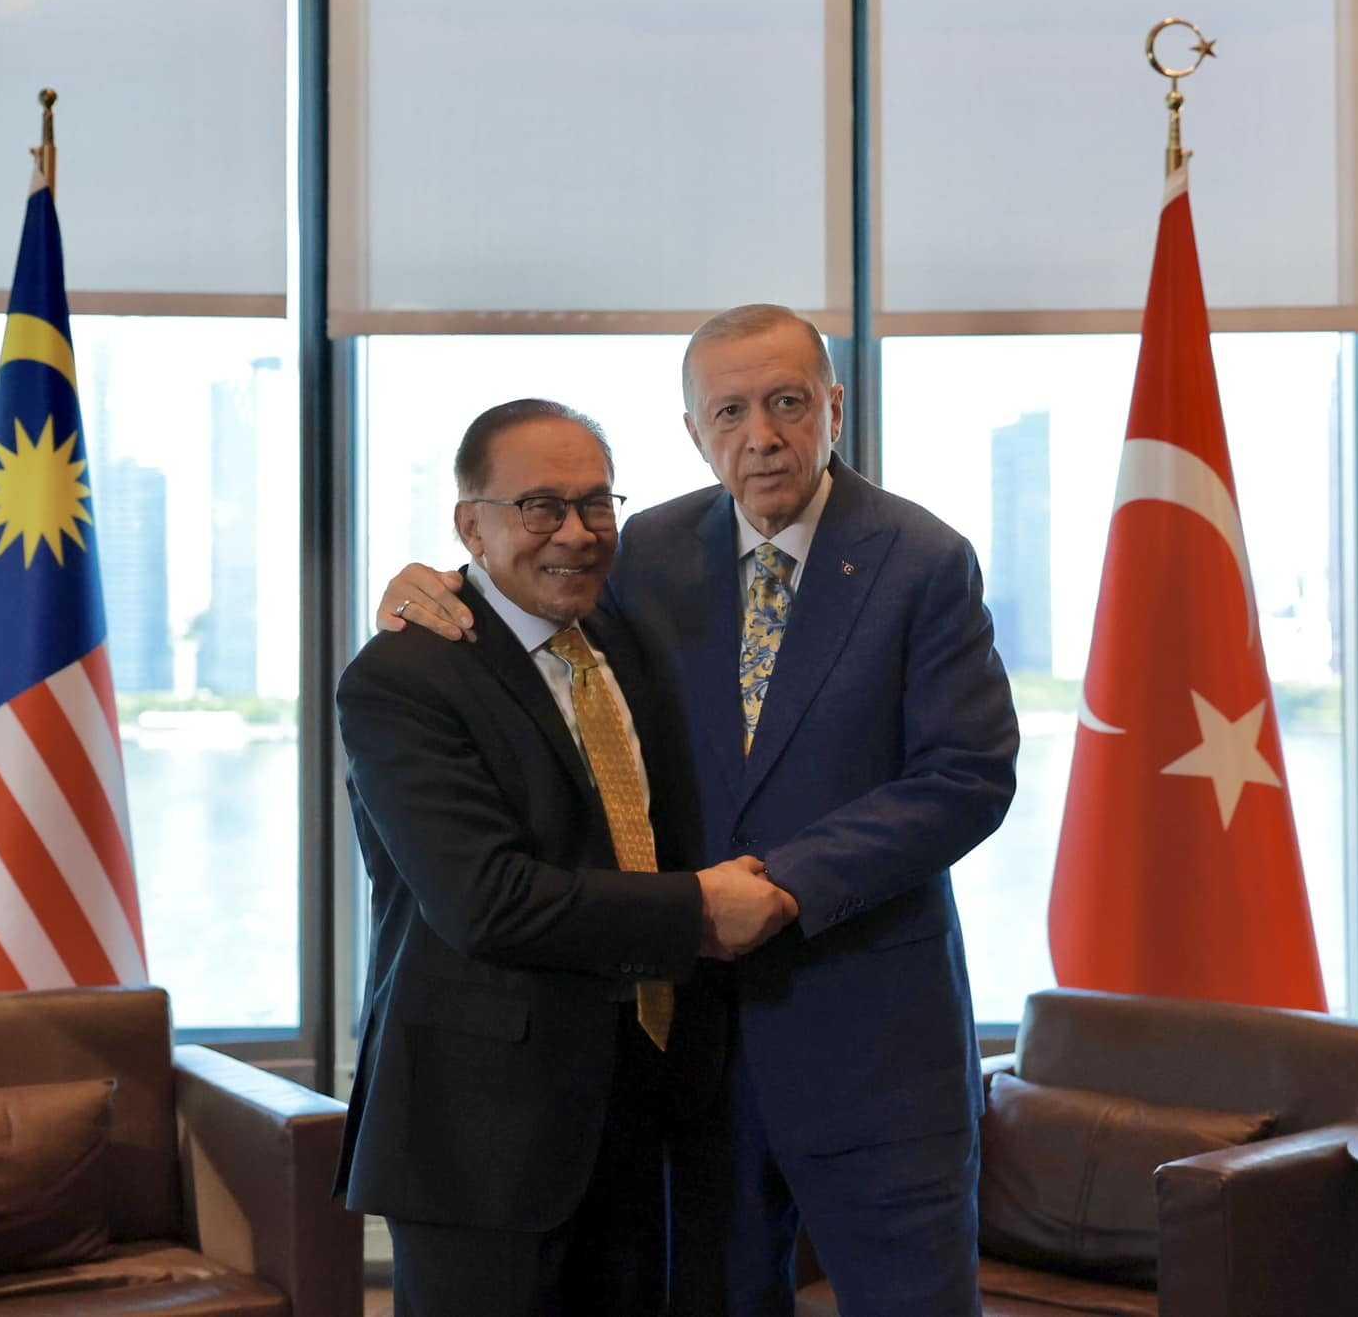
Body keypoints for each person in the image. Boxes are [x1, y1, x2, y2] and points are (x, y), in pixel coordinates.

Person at [378, 306, 1020, 1316]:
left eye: (786, 403)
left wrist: (785, 886)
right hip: (689, 1049)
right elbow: (538, 612)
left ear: (833, 407)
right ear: (692, 431)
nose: (759, 436)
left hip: (872, 1040)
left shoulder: (921, 557)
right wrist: (433, 588)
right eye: (729, 412)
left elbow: (966, 776)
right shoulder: (648, 548)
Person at [336, 397, 801, 1317]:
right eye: (540, 507)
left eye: (596, 504)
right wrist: (699, 911)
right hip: (480, 1143)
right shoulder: (402, 676)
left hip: (639, 1119)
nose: (577, 534)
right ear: (472, 526)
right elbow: (486, 901)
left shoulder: (622, 641)